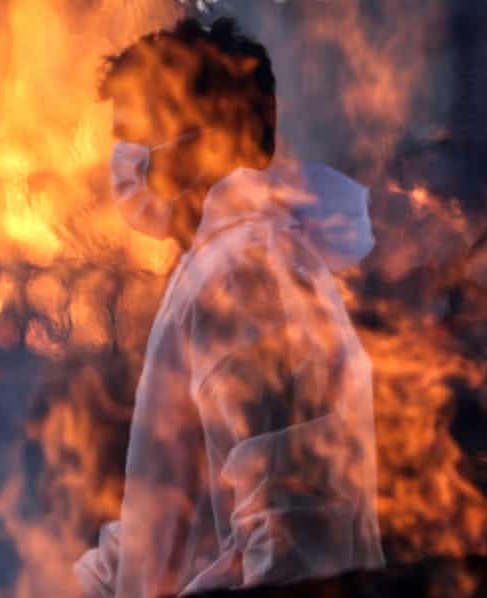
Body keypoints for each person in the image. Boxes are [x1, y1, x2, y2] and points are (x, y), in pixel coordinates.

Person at [75, 18, 385, 598]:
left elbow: (292, 544)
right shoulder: (217, 266)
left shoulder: (245, 278)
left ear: (204, 135)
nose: (124, 158)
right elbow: (166, 515)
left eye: (136, 133)